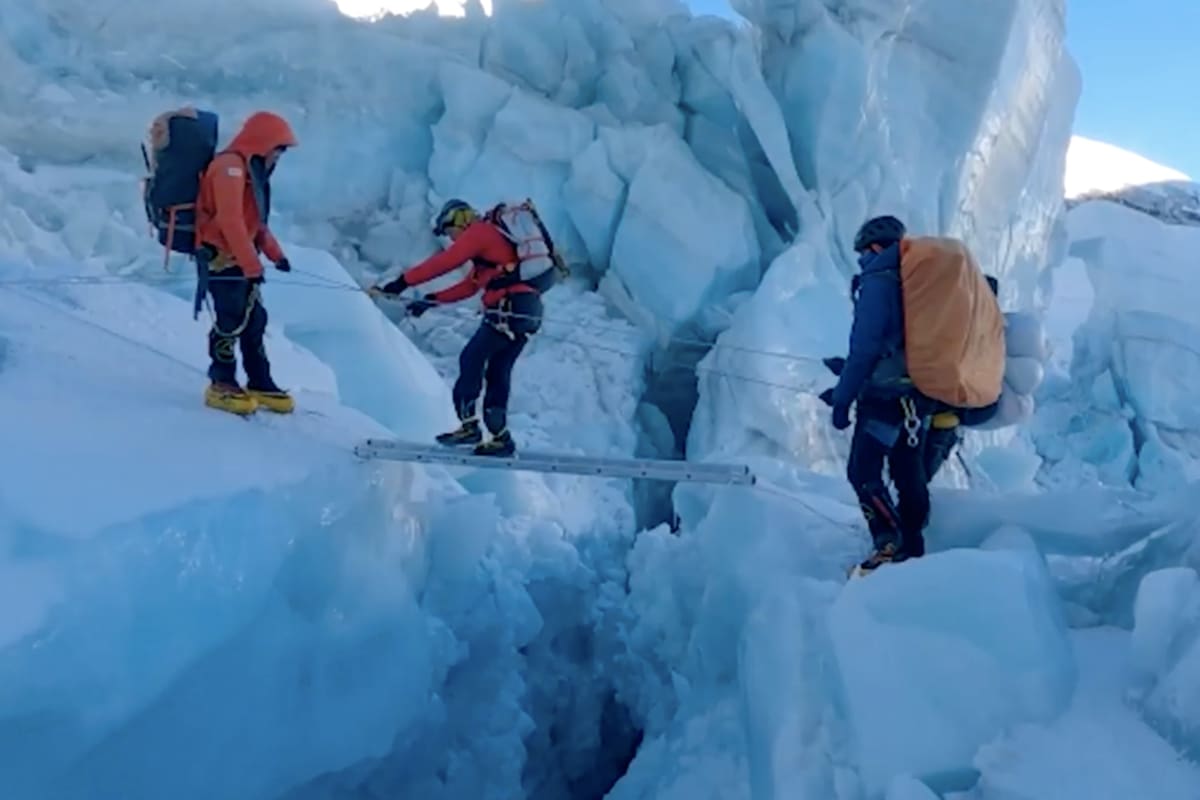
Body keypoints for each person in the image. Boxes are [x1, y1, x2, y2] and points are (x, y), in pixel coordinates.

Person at [370, 199, 545, 456]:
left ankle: (469, 426)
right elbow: (470, 286)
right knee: (498, 372)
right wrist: (431, 300)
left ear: (459, 219)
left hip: (506, 311)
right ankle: (500, 438)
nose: (451, 239)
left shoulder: (480, 232)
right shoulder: (491, 249)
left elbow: (445, 262)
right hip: (525, 313)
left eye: (450, 231)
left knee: (471, 358)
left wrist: (401, 283)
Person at [820, 215, 933, 574]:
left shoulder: (879, 279)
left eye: (862, 253)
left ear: (872, 248)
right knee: (907, 472)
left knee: (863, 472)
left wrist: (842, 399)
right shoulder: (917, 282)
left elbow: (866, 346)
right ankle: (913, 546)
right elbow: (897, 344)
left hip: (884, 400)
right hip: (920, 396)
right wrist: (847, 375)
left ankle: (889, 542)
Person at [194, 110, 298, 416]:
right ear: (264, 143)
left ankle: (259, 380)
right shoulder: (229, 168)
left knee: (254, 321)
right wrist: (252, 265)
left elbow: (256, 224)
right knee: (230, 319)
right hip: (221, 260)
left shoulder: (248, 171)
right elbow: (230, 221)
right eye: (278, 149)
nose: (279, 156)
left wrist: (275, 255)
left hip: (239, 259)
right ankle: (221, 381)